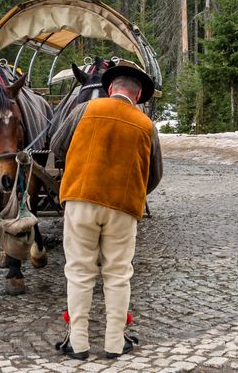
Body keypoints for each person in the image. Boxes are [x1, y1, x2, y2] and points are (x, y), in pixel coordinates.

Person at [51, 64, 162, 360]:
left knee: (79, 272)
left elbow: (57, 144)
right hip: (123, 208)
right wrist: (130, 190)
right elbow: (155, 174)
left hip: (80, 199)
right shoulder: (146, 125)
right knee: (117, 274)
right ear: (138, 97)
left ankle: (78, 342)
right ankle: (114, 343)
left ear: (111, 88)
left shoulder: (84, 109)